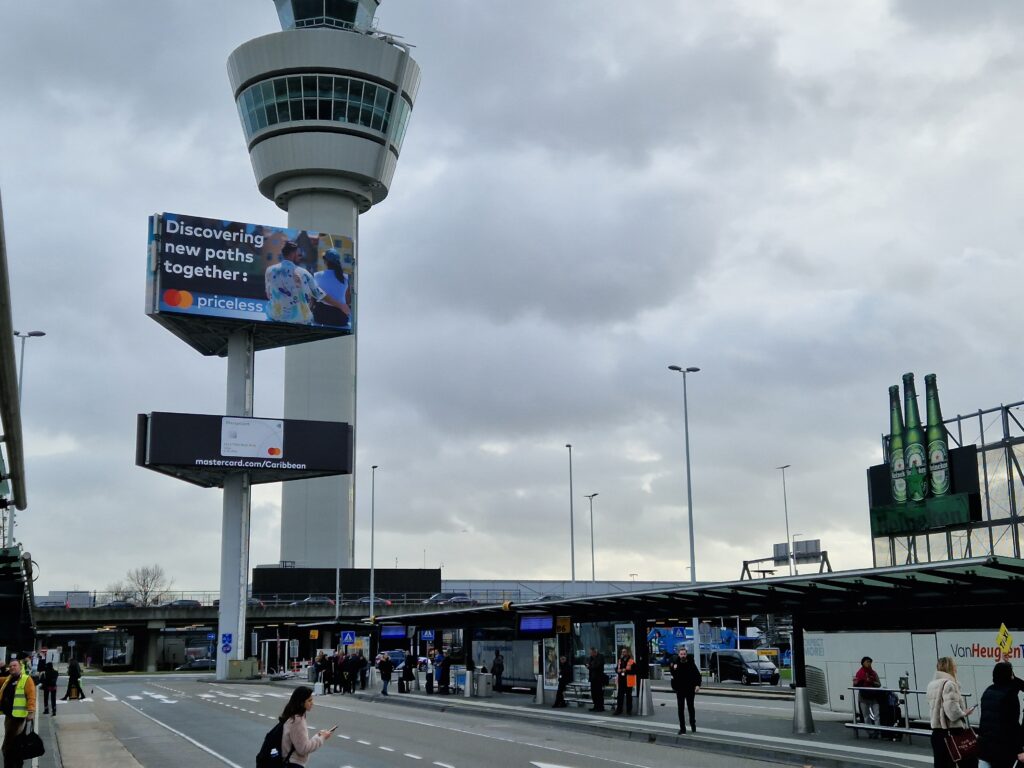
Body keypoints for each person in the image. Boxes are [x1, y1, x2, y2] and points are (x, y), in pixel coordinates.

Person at [265, 240, 345, 325]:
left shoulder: (269, 270)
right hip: (299, 321)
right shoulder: (304, 273)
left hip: (275, 318)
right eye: (299, 253)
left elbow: (268, 295)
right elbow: (320, 295)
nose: (301, 256)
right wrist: (342, 306)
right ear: (293, 254)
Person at [927, 656, 977, 768]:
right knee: (970, 762)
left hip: (937, 734)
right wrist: (965, 712)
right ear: (950, 668)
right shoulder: (950, 684)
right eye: (955, 666)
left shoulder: (932, 685)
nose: (956, 668)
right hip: (952, 733)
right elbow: (952, 713)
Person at [978, 661, 1024, 768]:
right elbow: (1013, 725)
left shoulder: (988, 691)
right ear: (1009, 676)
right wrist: (1019, 750)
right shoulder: (1010, 695)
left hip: (985, 746)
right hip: (1002, 748)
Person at [279, 685, 333, 767]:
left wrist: (318, 736)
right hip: (293, 763)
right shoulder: (297, 720)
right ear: (301, 703)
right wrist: (322, 738)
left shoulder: (293, 715)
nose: (312, 703)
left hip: (289, 761)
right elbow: (303, 749)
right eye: (309, 700)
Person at [0, 659, 36, 768]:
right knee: (14, 744)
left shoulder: (26, 679)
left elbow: (31, 696)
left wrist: (31, 712)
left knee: (8, 746)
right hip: (9, 716)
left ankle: (11, 765)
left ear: (20, 667)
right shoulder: (8, 679)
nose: (12, 668)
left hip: (18, 717)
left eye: (14, 666)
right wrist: (1, 668)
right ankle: (15, 764)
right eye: (10, 666)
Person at [312, 249, 352, 329]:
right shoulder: (346, 278)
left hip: (320, 317)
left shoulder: (316, 276)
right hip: (340, 319)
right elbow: (348, 301)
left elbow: (313, 298)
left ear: (325, 261)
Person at [668, 646, 701, 734]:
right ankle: (682, 728)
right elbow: (673, 675)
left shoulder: (691, 663)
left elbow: (697, 674)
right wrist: (673, 668)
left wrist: (697, 685)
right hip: (680, 689)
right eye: (681, 654)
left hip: (690, 689)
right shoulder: (676, 663)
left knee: (691, 708)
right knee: (680, 709)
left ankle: (693, 725)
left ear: (686, 654)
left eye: (684, 654)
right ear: (679, 655)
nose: (683, 655)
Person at [853, 656, 883, 738]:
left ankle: (878, 731)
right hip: (863, 697)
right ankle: (870, 732)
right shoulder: (859, 673)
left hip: (873, 696)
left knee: (877, 714)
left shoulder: (873, 673)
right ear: (863, 663)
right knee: (866, 716)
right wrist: (857, 682)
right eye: (867, 662)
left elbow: (879, 684)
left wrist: (872, 682)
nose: (869, 664)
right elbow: (855, 685)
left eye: (870, 662)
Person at [614, 648, 636, 716]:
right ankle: (619, 710)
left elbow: (635, 671)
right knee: (620, 696)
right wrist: (617, 670)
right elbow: (617, 668)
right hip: (621, 680)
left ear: (627, 653)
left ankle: (629, 711)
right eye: (622, 652)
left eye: (624, 652)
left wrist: (626, 670)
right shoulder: (620, 660)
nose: (623, 653)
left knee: (629, 696)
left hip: (629, 680)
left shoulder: (631, 661)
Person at [587, 647, 607, 712]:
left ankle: (600, 707)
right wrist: (589, 666)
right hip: (592, 678)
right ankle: (595, 706)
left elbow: (597, 666)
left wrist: (590, 666)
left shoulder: (600, 657)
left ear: (595, 652)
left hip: (599, 678)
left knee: (599, 693)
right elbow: (588, 664)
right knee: (593, 693)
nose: (590, 654)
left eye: (591, 653)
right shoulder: (591, 658)